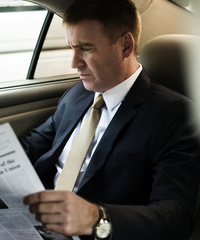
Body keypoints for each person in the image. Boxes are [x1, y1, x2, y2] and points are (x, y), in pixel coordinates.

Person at [20, 0, 200, 240]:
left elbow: (175, 218)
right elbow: (32, 144)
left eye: (86, 48)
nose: (74, 63)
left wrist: (96, 218)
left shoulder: (173, 115)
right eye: (71, 48)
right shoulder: (76, 95)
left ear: (126, 45)